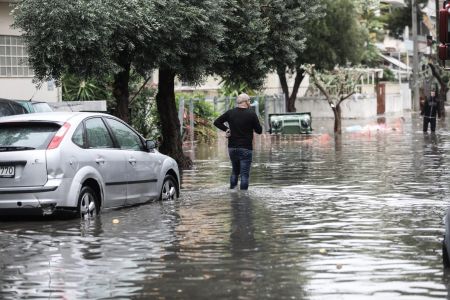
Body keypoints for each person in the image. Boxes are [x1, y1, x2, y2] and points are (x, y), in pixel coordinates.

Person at [214, 93, 262, 190]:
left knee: (235, 172)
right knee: (244, 175)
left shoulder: (230, 112)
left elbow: (216, 122)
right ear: (245, 102)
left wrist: (226, 129)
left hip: (232, 148)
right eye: (249, 100)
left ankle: (233, 192)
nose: (250, 102)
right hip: (246, 148)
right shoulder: (251, 114)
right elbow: (259, 131)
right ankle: (244, 198)